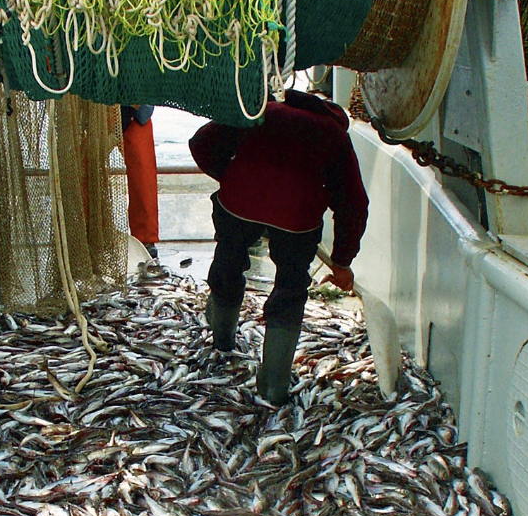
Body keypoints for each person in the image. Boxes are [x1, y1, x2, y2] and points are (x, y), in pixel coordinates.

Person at [189, 89, 369, 404]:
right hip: (297, 218)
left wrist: (229, 176)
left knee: (228, 261)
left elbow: (201, 142)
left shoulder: (264, 110)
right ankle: (273, 386)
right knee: (290, 287)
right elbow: (354, 204)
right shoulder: (334, 134)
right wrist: (342, 261)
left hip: (239, 202)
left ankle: (222, 343)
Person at [121, 104, 159, 259]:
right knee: (87, 171)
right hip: (96, 109)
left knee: (143, 174)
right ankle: (85, 234)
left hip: (137, 111)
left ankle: (146, 242)